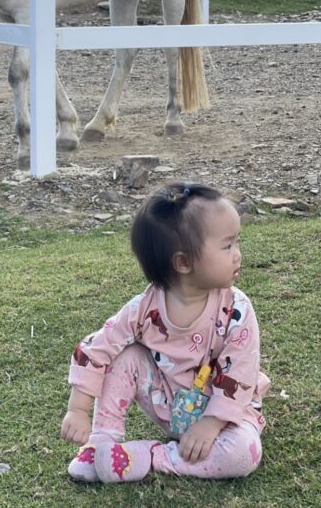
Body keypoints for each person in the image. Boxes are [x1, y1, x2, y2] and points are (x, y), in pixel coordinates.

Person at [60, 182, 270, 483]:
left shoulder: (237, 308)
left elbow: (241, 371)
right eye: (227, 245)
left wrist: (211, 422)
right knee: (126, 356)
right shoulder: (142, 309)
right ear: (183, 262)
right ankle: (101, 443)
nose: (237, 255)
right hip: (171, 406)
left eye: (237, 243)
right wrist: (78, 409)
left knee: (244, 453)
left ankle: (150, 456)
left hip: (226, 417)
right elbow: (97, 348)